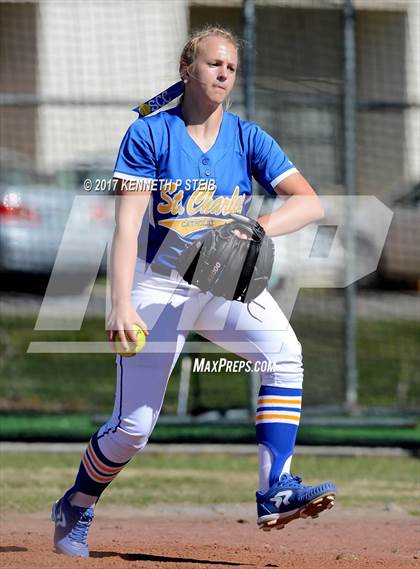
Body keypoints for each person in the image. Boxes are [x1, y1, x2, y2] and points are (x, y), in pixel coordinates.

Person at [51, 26, 336, 558]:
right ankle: (78, 501)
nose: (224, 72)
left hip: (221, 282)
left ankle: (276, 490)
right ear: (188, 69)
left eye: (230, 66)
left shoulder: (249, 138)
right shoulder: (150, 135)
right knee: (133, 430)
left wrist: (254, 229)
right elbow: (128, 226)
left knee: (285, 354)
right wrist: (119, 303)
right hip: (158, 283)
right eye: (213, 63)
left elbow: (309, 203)